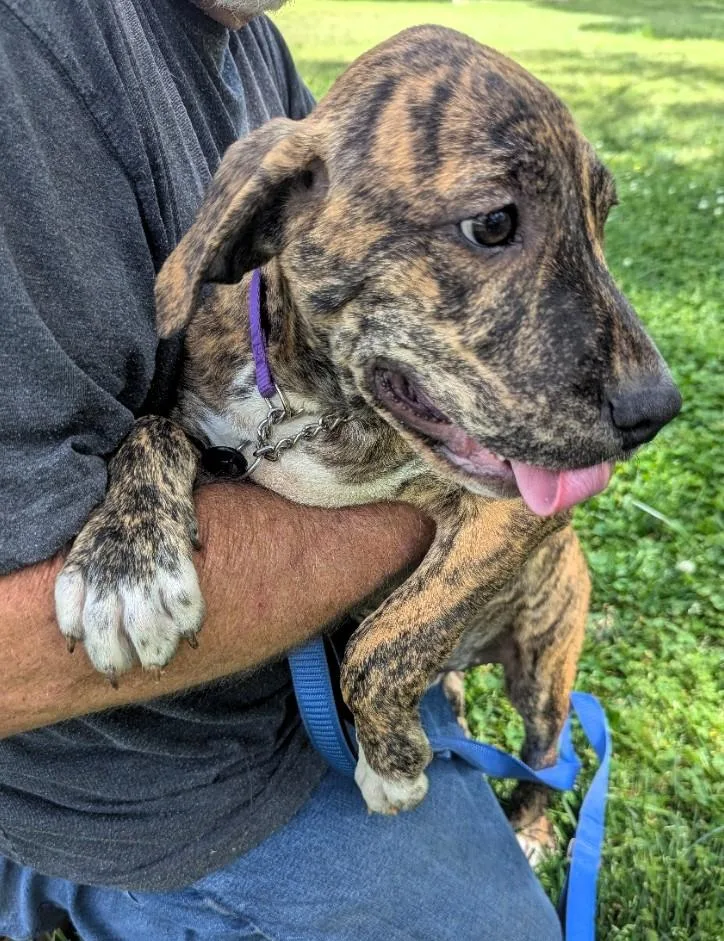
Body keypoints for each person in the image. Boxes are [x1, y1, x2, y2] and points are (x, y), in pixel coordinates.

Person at [0, 1, 562, 938]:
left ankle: (535, 783)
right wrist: (444, 507)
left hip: (303, 680)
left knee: (536, 693)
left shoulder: (250, 40)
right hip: (157, 794)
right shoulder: (31, 52)